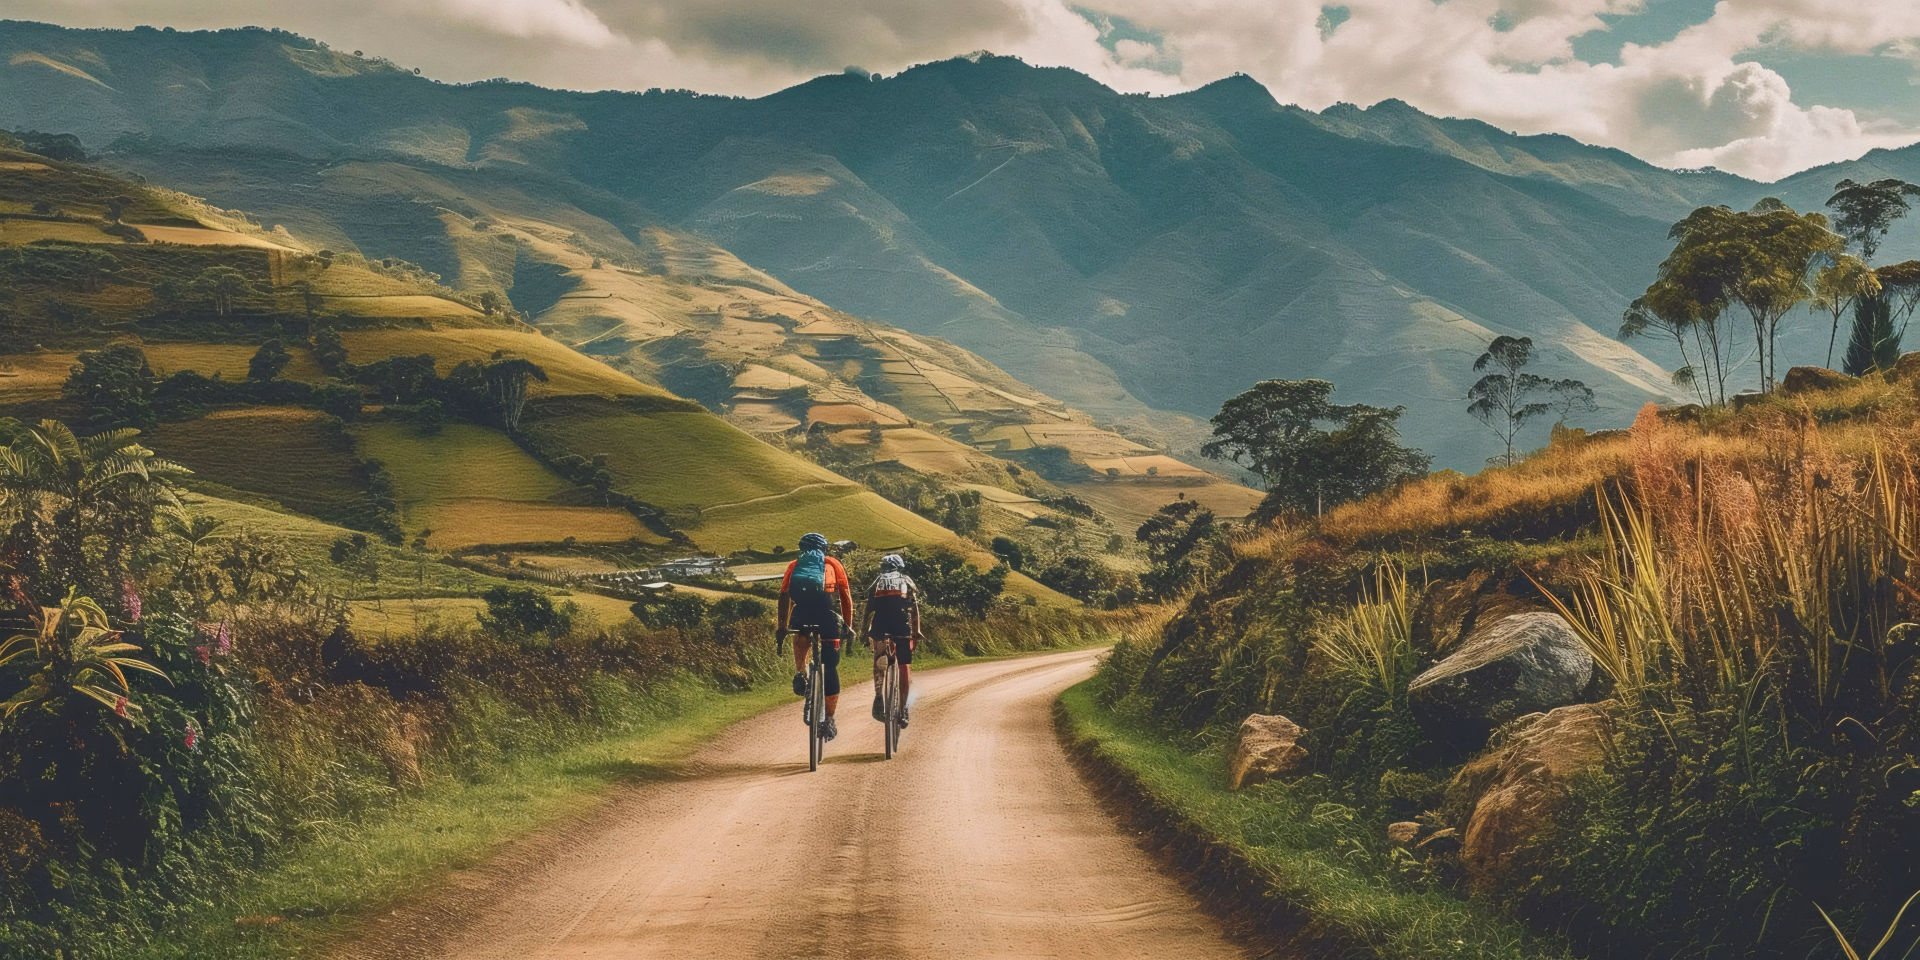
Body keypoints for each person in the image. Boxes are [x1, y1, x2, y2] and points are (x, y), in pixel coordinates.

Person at [777, 532, 855, 741]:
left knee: (800, 632)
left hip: (801, 612)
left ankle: (801, 671)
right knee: (830, 668)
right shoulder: (832, 563)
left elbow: (784, 595)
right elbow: (845, 596)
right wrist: (848, 626)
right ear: (824, 548)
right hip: (826, 615)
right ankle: (828, 719)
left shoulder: (794, 565)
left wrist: (782, 626)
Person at [859, 553, 922, 727]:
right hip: (902, 627)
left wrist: (864, 632)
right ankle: (903, 710)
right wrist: (916, 631)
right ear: (899, 567)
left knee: (879, 660)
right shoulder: (905, 580)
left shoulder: (877, 582)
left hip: (880, 627)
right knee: (904, 667)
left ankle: (879, 695)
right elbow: (914, 607)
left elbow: (868, 610)